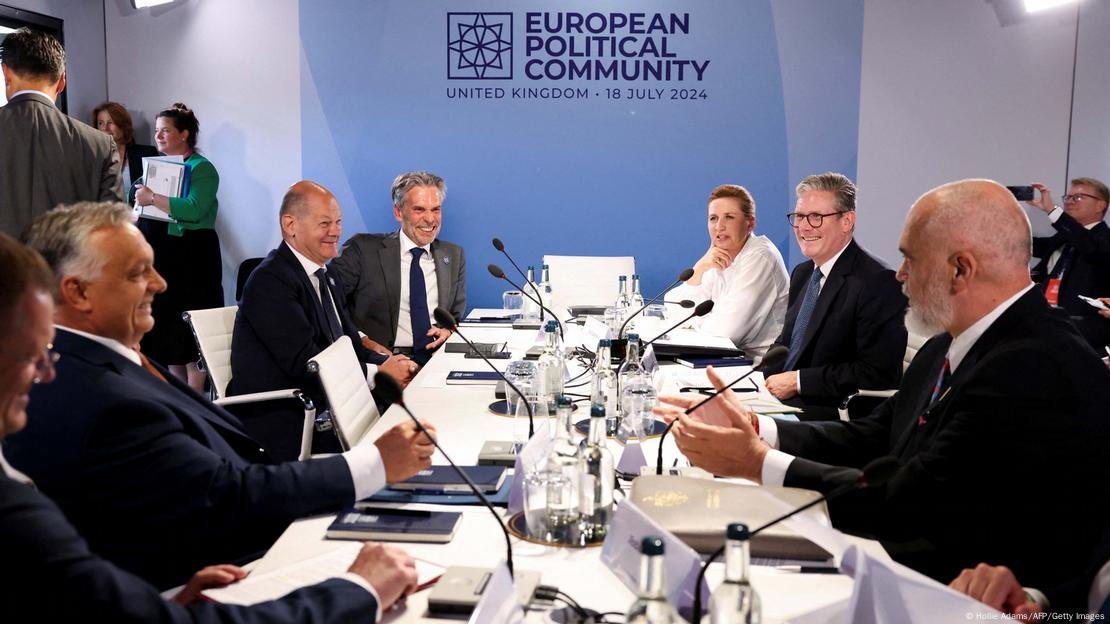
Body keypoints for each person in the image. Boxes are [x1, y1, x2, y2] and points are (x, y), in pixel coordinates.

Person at [657, 179, 1110, 594]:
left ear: (961, 269)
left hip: (964, 589)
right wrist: (760, 428)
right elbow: (874, 434)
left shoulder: (1033, 362)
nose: (899, 275)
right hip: (916, 557)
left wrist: (759, 465)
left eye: (911, 258)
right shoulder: (953, 343)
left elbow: (910, 501)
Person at [7, 201, 436, 589]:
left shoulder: (115, 359)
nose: (160, 283)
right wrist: (374, 464)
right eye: (138, 272)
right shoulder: (92, 392)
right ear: (78, 291)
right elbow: (226, 495)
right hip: (237, 560)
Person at [228, 181, 417, 458]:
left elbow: (349, 344)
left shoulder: (325, 275)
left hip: (332, 401)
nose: (336, 232)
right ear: (290, 224)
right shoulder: (271, 280)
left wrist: (393, 365)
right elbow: (306, 362)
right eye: (325, 223)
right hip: (287, 415)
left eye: (338, 222)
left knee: (417, 418)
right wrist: (379, 374)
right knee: (403, 438)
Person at [761, 172, 907, 420]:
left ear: (847, 221)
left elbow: (878, 372)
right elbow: (786, 343)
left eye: (816, 217)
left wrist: (798, 381)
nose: (804, 226)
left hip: (831, 411)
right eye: (799, 217)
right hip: (783, 400)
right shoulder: (803, 272)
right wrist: (758, 378)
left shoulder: (878, 282)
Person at [130, 103, 223, 392]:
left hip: (192, 257)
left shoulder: (202, 168)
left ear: (184, 134)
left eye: (165, 131)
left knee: (191, 330)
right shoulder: (152, 168)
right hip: (162, 255)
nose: (158, 136)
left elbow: (194, 209)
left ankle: (196, 398)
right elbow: (137, 207)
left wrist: (152, 197)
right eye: (156, 131)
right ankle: (177, 394)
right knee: (168, 331)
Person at [330, 171, 466, 366]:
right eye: (419, 210)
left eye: (435, 209)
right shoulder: (362, 249)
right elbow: (327, 303)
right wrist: (361, 339)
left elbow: (454, 316)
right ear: (398, 212)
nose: (430, 219)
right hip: (381, 363)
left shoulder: (453, 255)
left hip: (436, 362)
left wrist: (448, 331)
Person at [0, 28, 121, 238]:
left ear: (6, 74)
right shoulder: (100, 145)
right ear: (62, 81)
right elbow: (113, 232)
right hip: (69, 270)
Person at [666, 184, 789, 358]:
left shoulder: (760, 257)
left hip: (759, 369)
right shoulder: (718, 254)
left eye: (729, 217)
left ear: (750, 223)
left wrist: (694, 322)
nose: (719, 226)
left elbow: (725, 335)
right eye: (713, 218)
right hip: (723, 360)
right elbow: (674, 310)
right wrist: (700, 267)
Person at [1026, 178, 1110, 350]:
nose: (1070, 202)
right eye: (1068, 197)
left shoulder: (1102, 239)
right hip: (1051, 319)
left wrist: (1052, 210)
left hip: (1083, 331)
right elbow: (1039, 246)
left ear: (1100, 205)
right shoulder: (1065, 237)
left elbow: (1088, 245)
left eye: (1078, 197)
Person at [92, 101, 159, 200]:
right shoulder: (92, 157)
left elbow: (158, 192)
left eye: (110, 122)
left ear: (123, 125)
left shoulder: (147, 153)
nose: (105, 128)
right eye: (100, 123)